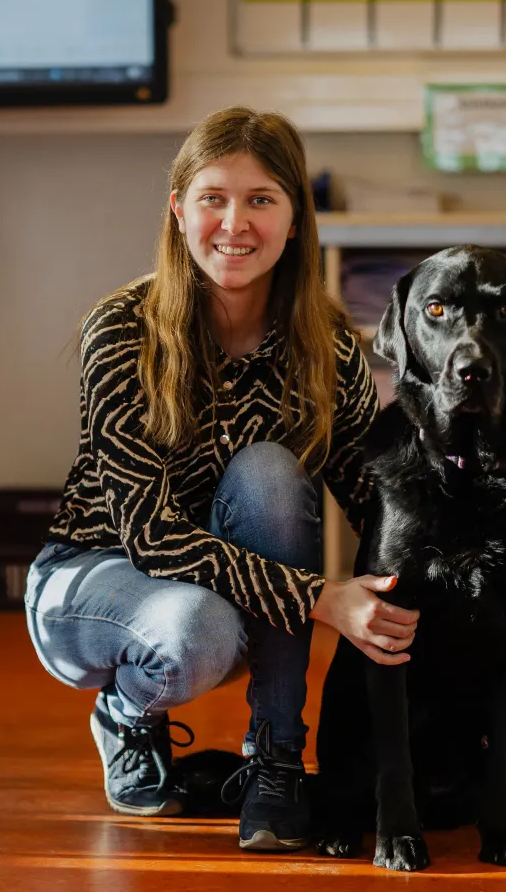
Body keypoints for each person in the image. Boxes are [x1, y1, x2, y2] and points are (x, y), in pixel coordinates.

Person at [23, 106, 420, 852]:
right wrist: (322, 598)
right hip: (95, 580)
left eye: (261, 199)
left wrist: (471, 603)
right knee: (193, 627)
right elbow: (149, 534)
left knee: (272, 473)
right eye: (214, 197)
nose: (234, 223)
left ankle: (275, 760)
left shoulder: (326, 345)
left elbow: (378, 494)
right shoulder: (120, 329)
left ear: (295, 219)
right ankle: (127, 715)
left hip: (235, 587)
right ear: (179, 210)